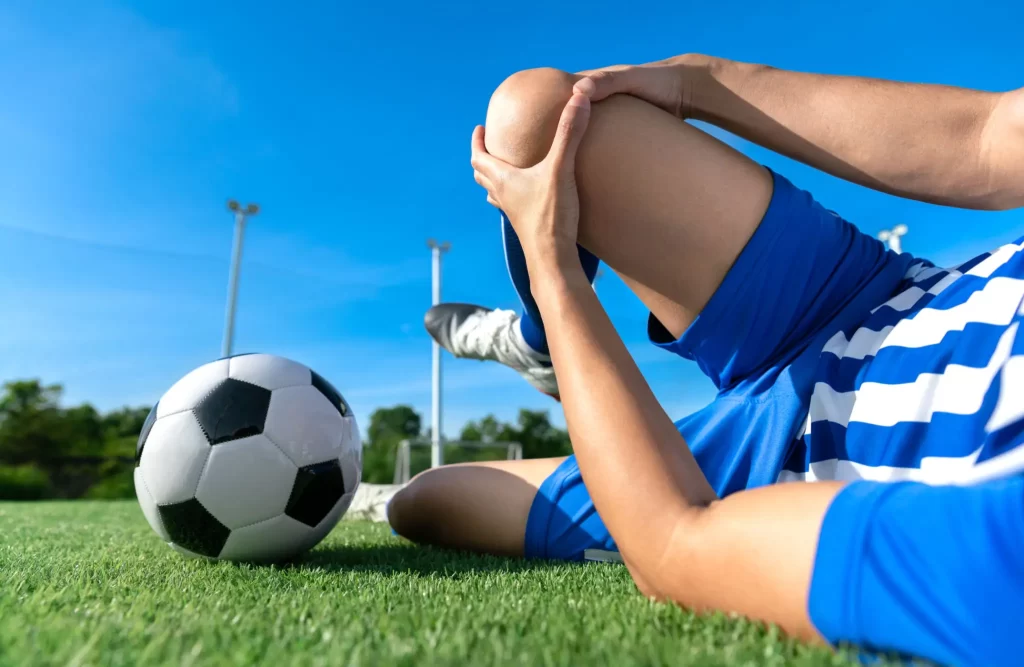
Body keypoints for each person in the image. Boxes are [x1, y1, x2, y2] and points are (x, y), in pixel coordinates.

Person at [386, 55, 1024, 664]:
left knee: (426, 500)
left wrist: (554, 270)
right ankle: (542, 347)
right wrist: (699, 80)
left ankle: (556, 342)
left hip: (774, 465)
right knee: (536, 113)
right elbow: (992, 137)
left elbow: (674, 542)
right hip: (865, 295)